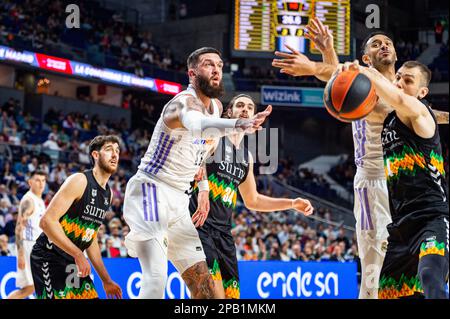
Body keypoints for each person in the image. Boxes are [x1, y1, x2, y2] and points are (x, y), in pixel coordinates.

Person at [273, 24, 449, 299]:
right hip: (374, 181)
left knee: (412, 272)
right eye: (376, 43)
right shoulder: (363, 84)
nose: (384, 45)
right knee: (375, 271)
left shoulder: (400, 91)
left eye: (387, 41)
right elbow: (338, 79)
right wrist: (321, 59)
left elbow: (419, 111)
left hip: (403, 188)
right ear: (366, 59)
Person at [123, 47, 271, 299]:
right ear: (192, 73)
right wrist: (240, 123)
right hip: (151, 190)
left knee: (207, 292)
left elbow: (204, 150)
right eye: (208, 64)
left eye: (220, 65)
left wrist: (203, 189)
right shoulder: (182, 102)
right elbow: (197, 126)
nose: (216, 70)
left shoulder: (214, 107)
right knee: (156, 279)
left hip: (180, 201)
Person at [338, 59, 449, 299]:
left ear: (422, 92)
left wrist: (364, 70)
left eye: (407, 80)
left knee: (430, 276)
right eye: (397, 77)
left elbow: (398, 100)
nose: (399, 83)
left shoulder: (421, 114)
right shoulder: (387, 119)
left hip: (432, 219)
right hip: (400, 227)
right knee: (390, 294)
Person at [189, 94, 313, 298]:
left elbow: (253, 200)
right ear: (230, 113)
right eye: (239, 105)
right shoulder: (215, 137)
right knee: (211, 295)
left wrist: (291, 203)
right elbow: (195, 153)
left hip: (224, 234)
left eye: (249, 107)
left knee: (232, 298)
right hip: (200, 227)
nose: (245, 109)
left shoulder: (246, 157)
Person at [30, 136, 122, 299]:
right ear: (95, 155)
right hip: (49, 256)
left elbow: (90, 237)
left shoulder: (108, 193)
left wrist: (106, 280)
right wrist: (78, 254)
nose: (114, 154)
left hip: (72, 259)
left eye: (117, 150)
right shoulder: (80, 180)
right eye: (109, 150)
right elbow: (46, 222)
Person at [8, 170, 47, 299]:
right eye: (37, 180)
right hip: (28, 247)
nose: (41, 183)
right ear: (30, 182)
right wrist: (20, 254)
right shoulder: (29, 200)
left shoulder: (40, 201)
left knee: (34, 287)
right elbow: (19, 227)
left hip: (37, 249)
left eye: (43, 180)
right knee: (32, 287)